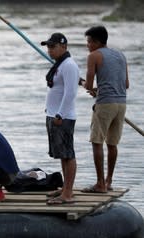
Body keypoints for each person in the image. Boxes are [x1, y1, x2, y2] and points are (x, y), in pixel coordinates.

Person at [82, 25, 129, 193]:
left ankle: (100, 184)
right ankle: (108, 181)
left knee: (97, 142)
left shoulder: (94, 56)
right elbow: (126, 84)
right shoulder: (121, 55)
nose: (87, 45)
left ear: (96, 42)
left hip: (105, 103)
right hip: (121, 104)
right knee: (112, 144)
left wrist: (87, 86)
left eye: (88, 42)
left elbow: (88, 84)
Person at [40, 33, 79, 205]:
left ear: (63, 47)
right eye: (48, 47)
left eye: (53, 46)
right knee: (62, 155)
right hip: (54, 115)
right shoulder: (59, 65)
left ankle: (68, 194)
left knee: (68, 154)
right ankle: (64, 189)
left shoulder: (69, 65)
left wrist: (60, 115)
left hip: (62, 117)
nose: (49, 50)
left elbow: (70, 93)